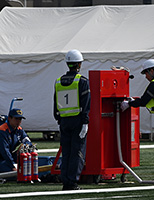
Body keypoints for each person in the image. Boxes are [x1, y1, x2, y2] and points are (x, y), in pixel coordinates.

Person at [53, 49, 91, 190]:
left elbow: (55, 103)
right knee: (78, 152)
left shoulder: (58, 81)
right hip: (77, 121)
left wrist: (59, 119)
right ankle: (72, 182)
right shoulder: (82, 81)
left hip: (64, 122)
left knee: (66, 152)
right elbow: (86, 104)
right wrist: (85, 122)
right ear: (79, 65)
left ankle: (65, 181)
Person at [0, 108, 32, 173]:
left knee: (28, 162)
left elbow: (28, 141)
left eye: (20, 119)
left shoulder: (19, 129)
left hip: (8, 158)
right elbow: (4, 151)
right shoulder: (2, 131)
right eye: (16, 119)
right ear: (9, 118)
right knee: (18, 172)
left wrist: (24, 145)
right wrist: (13, 165)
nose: (18, 121)